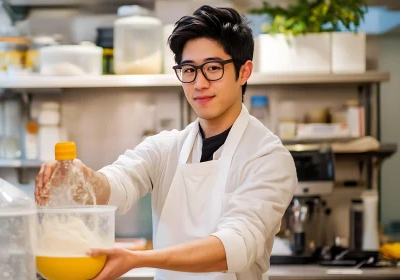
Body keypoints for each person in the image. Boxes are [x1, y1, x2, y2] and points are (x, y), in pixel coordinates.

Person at [35, 5, 297, 280]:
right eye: (188, 69)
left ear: (244, 72)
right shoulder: (166, 148)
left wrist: (137, 259)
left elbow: (235, 246)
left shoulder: (268, 158)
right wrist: (79, 178)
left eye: (212, 68)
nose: (199, 83)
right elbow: (116, 185)